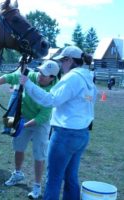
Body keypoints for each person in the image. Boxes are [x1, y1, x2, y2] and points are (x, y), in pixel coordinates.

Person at [20, 46, 97, 200]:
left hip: (65, 134)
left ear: (69, 60)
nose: (61, 65)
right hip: (82, 134)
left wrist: (28, 84)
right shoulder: (88, 78)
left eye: (62, 61)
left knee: (54, 178)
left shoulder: (72, 78)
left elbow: (51, 100)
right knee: (70, 177)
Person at [0, 60, 60, 199]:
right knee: (18, 147)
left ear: (52, 77)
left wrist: (22, 125)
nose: (40, 75)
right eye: (40, 71)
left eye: (45, 75)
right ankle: (17, 173)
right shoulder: (32, 76)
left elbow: (42, 117)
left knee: (39, 154)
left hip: (40, 123)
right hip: (23, 116)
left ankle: (36, 186)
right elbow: (10, 77)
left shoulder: (54, 92)